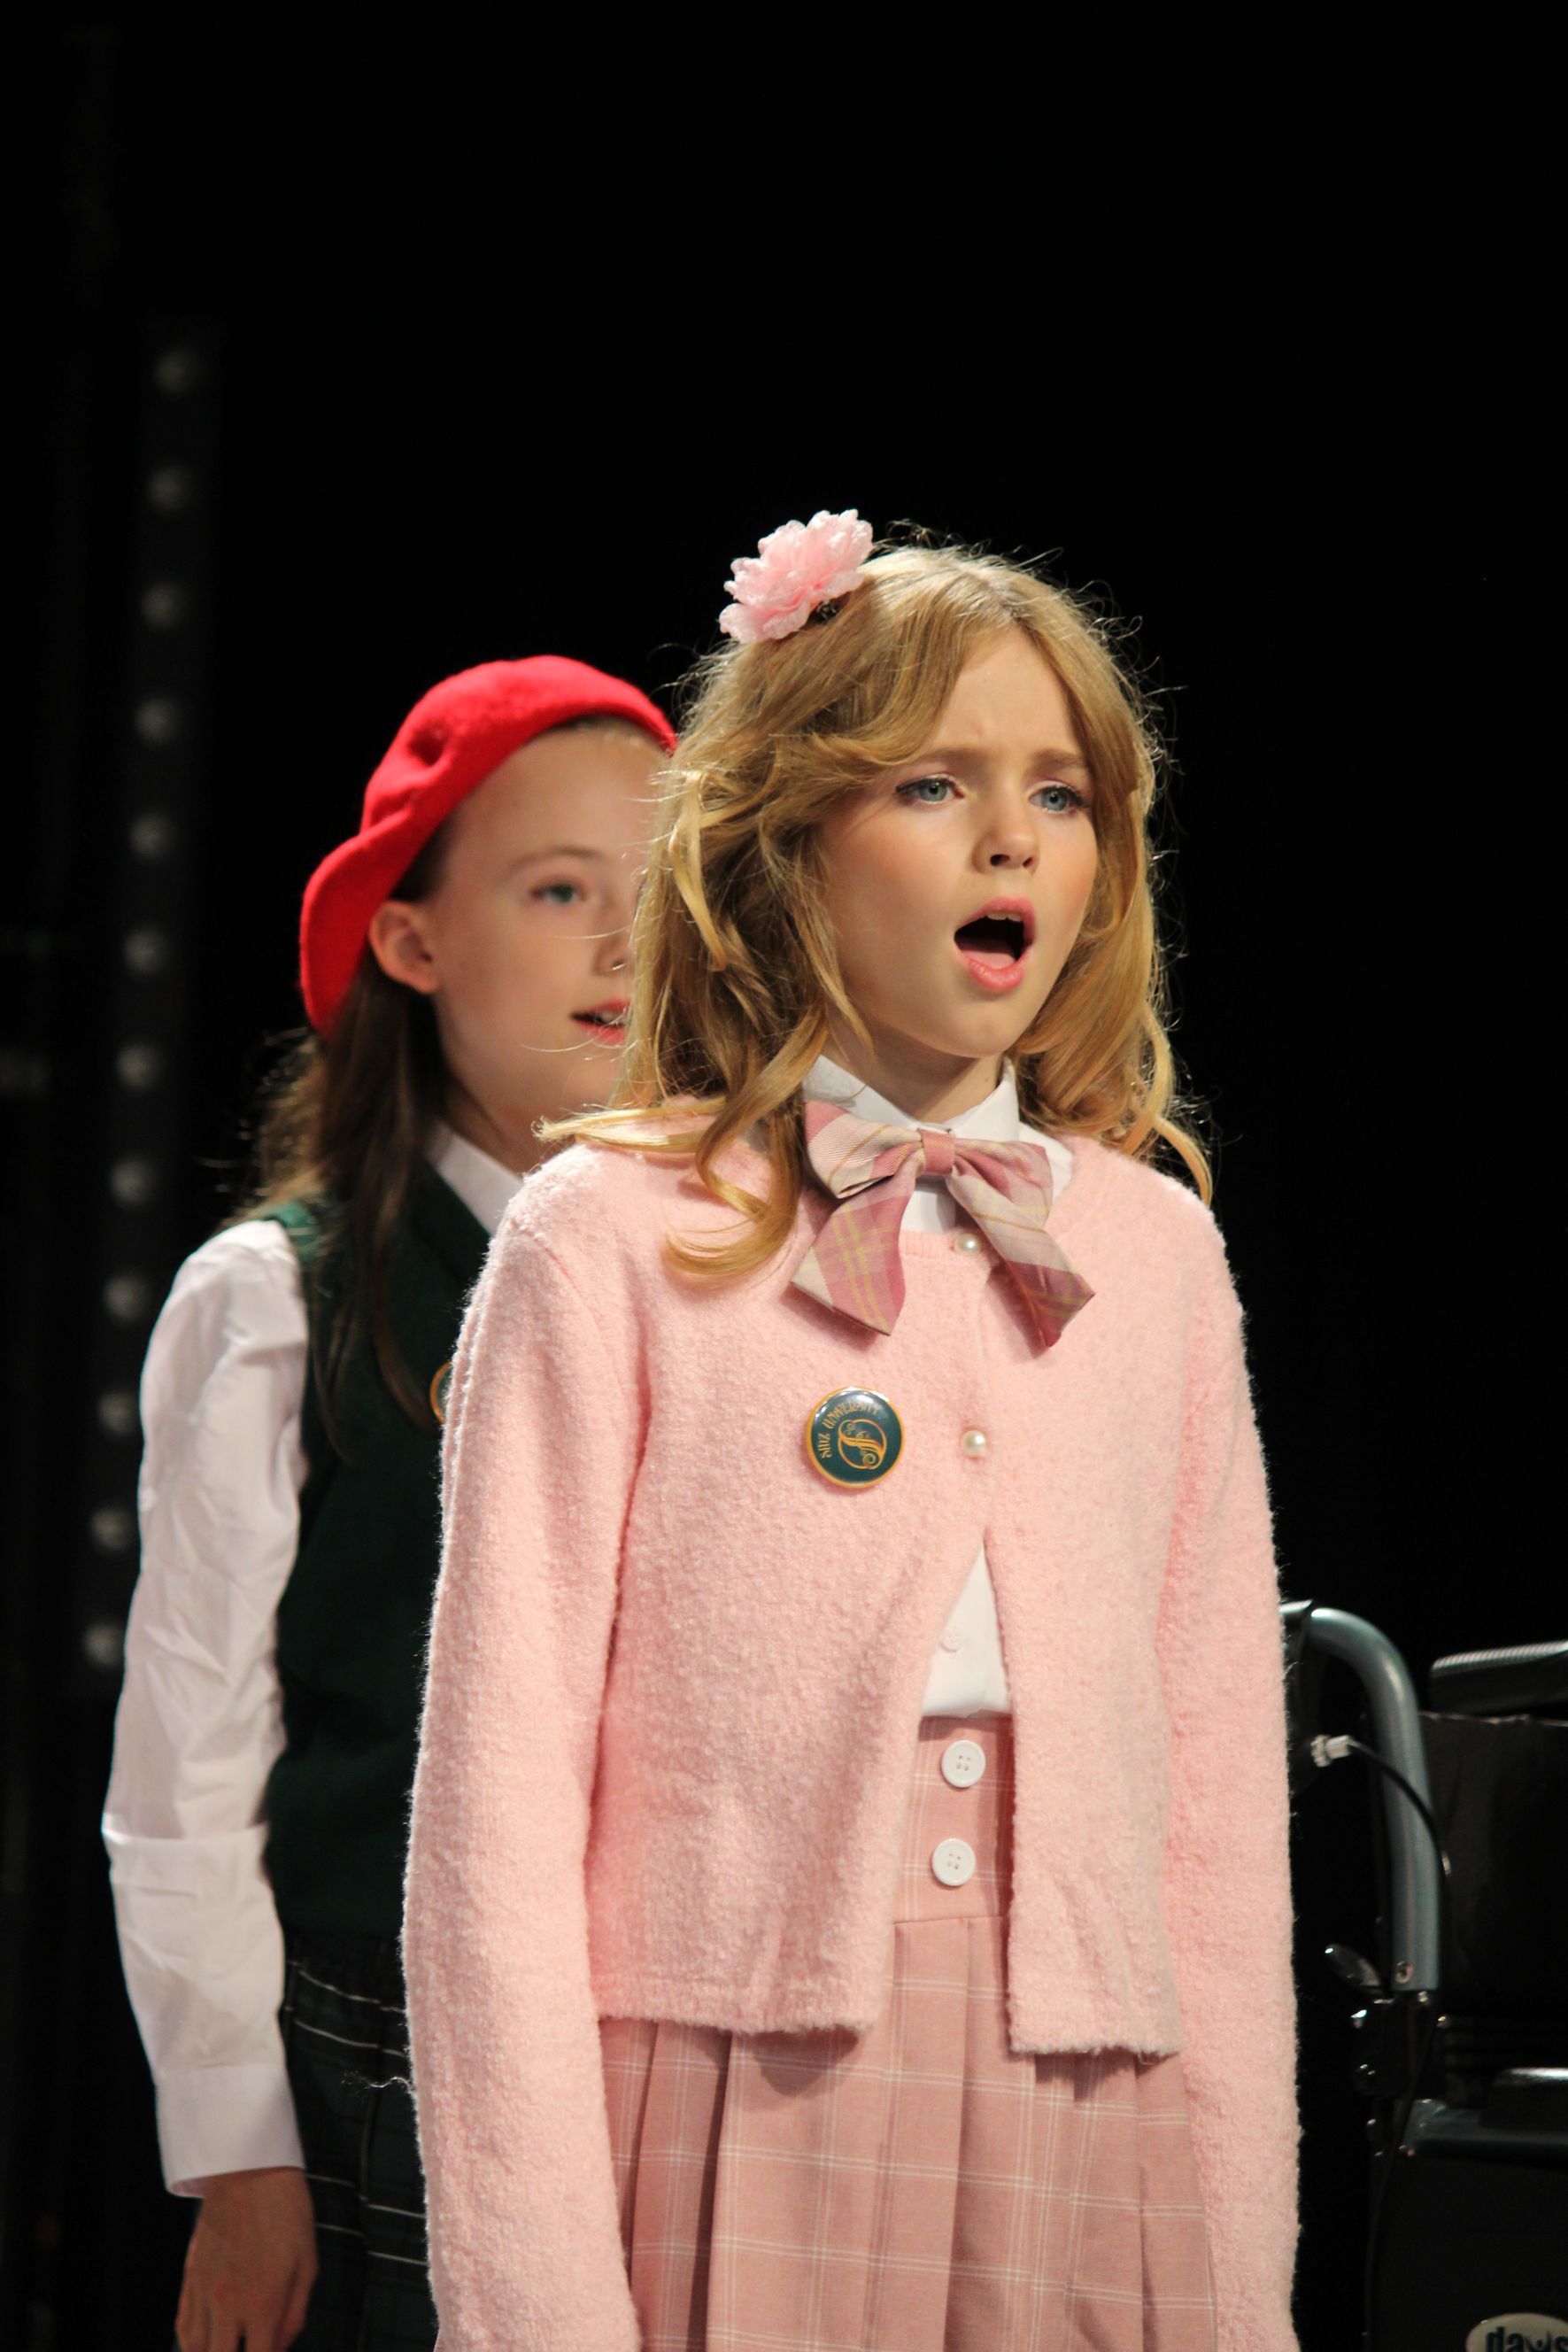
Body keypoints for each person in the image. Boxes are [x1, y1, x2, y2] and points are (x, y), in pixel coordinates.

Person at [403, 517, 1300, 2352]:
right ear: (789, 836)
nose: (1007, 839)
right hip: (729, 2097)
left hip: (1084, 2110)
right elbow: (490, 1821)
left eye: (1059, 793)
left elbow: (1214, 1818)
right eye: (930, 780)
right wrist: (533, 2299)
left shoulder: (1153, 1256)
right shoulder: (610, 1239)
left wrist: (1236, 2281)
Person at [103, 654, 676, 2352]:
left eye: (660, 893)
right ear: (412, 944)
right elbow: (189, 1756)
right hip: (387, 2025)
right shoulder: (286, 1297)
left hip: (674, 2026)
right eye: (560, 890)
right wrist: (239, 2156)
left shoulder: (737, 1275)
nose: (623, 946)